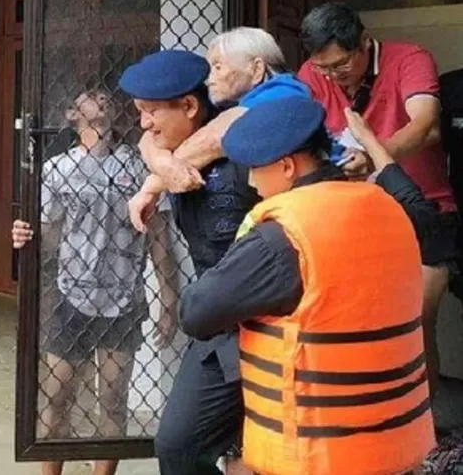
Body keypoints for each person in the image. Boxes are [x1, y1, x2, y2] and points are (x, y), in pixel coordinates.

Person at [179, 96, 436, 475]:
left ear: (286, 166)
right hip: (394, 445)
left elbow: (196, 313)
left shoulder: (284, 235)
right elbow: (425, 218)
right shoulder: (392, 209)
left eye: (255, 170)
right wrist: (374, 147)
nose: (251, 182)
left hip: (318, 455)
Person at [120, 41, 309, 475]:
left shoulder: (250, 147)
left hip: (279, 327)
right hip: (218, 326)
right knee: (178, 445)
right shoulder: (168, 148)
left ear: (189, 105)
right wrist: (160, 165)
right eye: (140, 112)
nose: (144, 124)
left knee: (272, 456)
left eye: (150, 111)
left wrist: (157, 172)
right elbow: (149, 140)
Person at [11, 88, 180, 475]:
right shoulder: (58, 169)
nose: (102, 99)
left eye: (107, 95)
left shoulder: (139, 166)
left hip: (124, 299)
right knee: (55, 399)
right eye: (91, 96)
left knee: (114, 400)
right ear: (73, 113)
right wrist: (24, 233)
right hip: (71, 296)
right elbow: (48, 235)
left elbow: (159, 237)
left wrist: (169, 301)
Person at [298, 2, 459, 397]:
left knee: (415, 325)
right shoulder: (311, 76)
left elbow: (425, 126)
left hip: (423, 211)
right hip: (352, 220)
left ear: (364, 43)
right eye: (323, 69)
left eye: (340, 65)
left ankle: (425, 435)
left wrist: (373, 157)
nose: (332, 77)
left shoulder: (409, 59)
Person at [128, 27, 311, 232]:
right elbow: (149, 138)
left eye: (218, 67)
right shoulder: (229, 104)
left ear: (257, 69)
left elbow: (215, 137)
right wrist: (162, 163)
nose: (210, 78)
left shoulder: (284, 95)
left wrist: (154, 183)